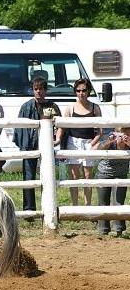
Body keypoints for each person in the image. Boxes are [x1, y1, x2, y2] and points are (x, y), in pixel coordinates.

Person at [13, 77, 61, 214]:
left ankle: (49, 209)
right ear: (33, 90)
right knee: (28, 178)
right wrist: (23, 145)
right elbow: (19, 128)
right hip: (29, 146)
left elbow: (60, 125)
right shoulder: (26, 107)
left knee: (48, 177)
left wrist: (57, 139)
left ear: (46, 90)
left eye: (41, 89)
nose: (38, 91)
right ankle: (29, 210)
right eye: (36, 89)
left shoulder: (53, 106)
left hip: (47, 147)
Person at [60, 78, 102, 206]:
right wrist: (57, 140)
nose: (81, 93)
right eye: (78, 90)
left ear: (88, 91)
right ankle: (75, 206)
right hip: (73, 142)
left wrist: (92, 143)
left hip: (89, 141)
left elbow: (100, 131)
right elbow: (62, 127)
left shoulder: (95, 107)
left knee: (88, 176)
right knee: (73, 176)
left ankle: (88, 205)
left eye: (84, 90)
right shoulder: (70, 108)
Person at [93, 127, 130, 236]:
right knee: (103, 202)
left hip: (121, 175)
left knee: (119, 202)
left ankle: (119, 229)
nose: (125, 136)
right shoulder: (110, 141)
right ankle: (103, 230)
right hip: (104, 174)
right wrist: (110, 141)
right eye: (124, 133)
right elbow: (97, 150)